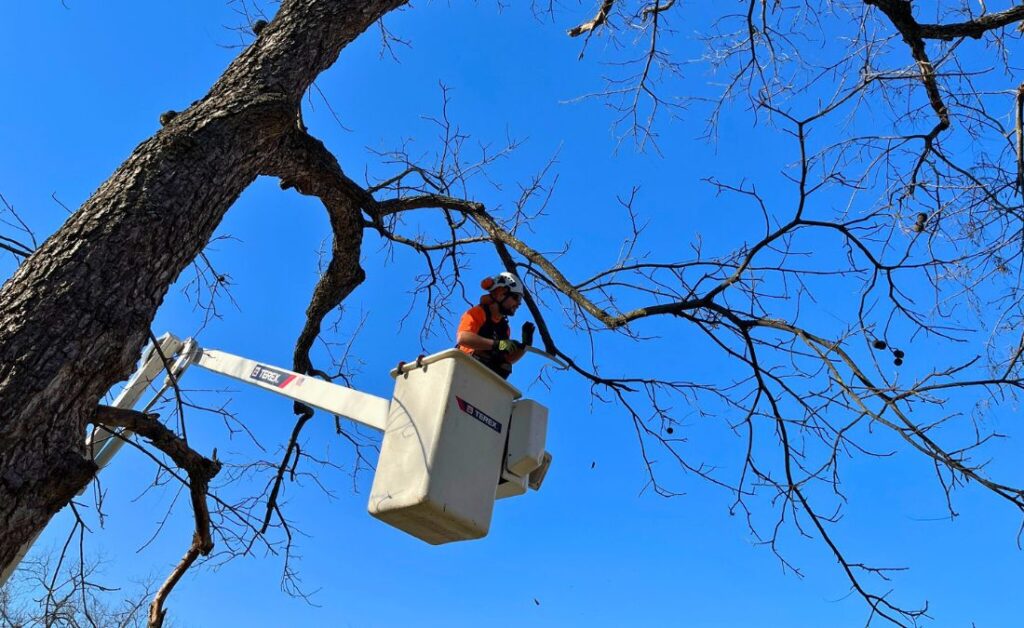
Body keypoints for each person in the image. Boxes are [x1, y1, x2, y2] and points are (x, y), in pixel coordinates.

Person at [456, 272, 535, 380]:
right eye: (516, 298)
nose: (518, 304)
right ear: (501, 294)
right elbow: (463, 338)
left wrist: (525, 345)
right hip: (466, 367)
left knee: (504, 366)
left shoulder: (504, 328)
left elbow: (508, 359)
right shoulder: (478, 313)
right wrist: (498, 344)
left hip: (487, 380)